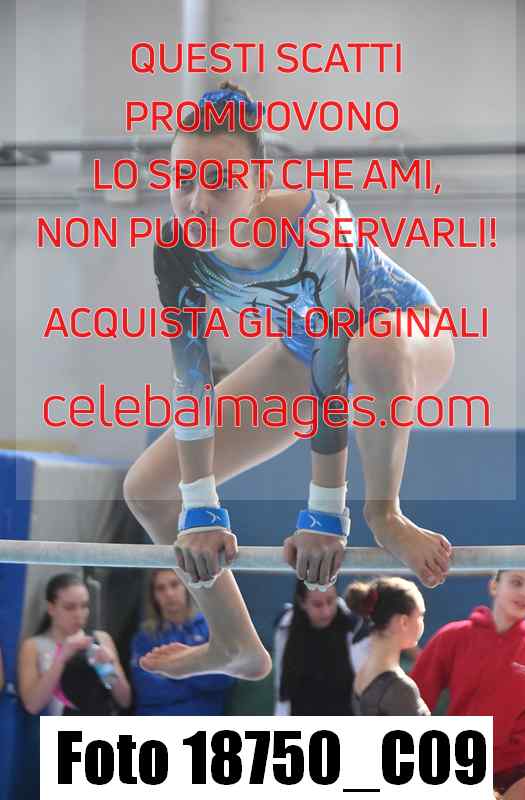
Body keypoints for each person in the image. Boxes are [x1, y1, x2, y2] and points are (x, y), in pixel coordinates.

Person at [123, 80, 455, 682]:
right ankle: (234, 645)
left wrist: (326, 515)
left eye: (219, 183)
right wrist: (200, 509)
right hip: (303, 349)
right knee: (149, 490)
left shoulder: (316, 227)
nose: (196, 203)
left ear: (259, 181)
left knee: (371, 346)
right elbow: (192, 380)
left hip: (405, 335)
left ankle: (386, 512)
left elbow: (335, 373)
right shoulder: (176, 249)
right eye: (182, 181)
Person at [410, 570, 525, 799]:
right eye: (517, 582)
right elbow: (414, 698)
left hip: (520, 770)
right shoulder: (454, 636)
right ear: (494, 586)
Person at [18, 572, 131, 715]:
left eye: (84, 606)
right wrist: (61, 659)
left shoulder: (100, 639)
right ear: (51, 608)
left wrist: (110, 666)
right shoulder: (34, 646)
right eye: (69, 607)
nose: (78, 614)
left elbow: (124, 700)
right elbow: (32, 706)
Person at [131, 569, 235, 714]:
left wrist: (171, 670)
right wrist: (196, 667)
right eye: (160, 588)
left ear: (187, 587)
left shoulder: (211, 629)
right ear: (153, 596)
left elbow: (223, 678)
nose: (169, 593)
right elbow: (146, 688)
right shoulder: (144, 637)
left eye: (174, 584)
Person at [273, 580, 370, 715]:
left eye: (330, 601)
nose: (326, 612)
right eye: (317, 604)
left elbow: (364, 689)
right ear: (302, 602)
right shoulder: (285, 627)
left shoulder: (354, 626)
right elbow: (282, 685)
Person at [345, 577, 429, 715]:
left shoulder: (362, 675)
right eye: (421, 616)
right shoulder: (401, 689)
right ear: (403, 622)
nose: (422, 622)